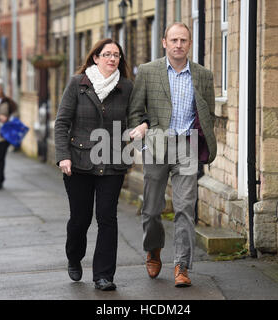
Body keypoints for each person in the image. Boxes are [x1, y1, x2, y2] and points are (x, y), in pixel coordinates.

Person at [128, 22, 217, 287]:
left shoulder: (203, 75)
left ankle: (182, 265)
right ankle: (153, 249)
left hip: (186, 146)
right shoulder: (147, 71)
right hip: (156, 145)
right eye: (174, 40)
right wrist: (142, 129)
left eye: (184, 40)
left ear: (190, 44)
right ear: (164, 42)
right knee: (152, 209)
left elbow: (208, 113)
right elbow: (134, 111)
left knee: (185, 208)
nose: (179, 45)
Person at [55, 39, 147, 291]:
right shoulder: (78, 83)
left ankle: (104, 275)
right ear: (95, 58)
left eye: (116, 55)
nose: (112, 59)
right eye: (107, 54)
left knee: (107, 218)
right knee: (80, 219)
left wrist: (142, 126)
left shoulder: (127, 87)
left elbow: (136, 118)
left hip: (113, 161)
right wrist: (63, 155)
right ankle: (74, 256)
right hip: (79, 162)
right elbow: (62, 122)